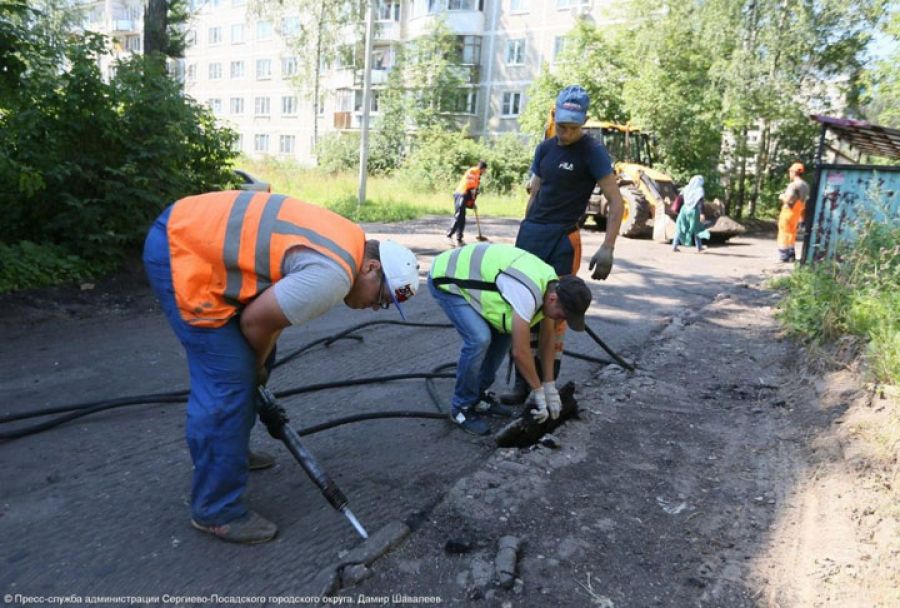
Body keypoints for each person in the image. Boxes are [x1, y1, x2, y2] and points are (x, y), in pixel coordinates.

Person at [142, 190, 420, 544]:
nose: (372, 308)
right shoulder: (333, 277)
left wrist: (259, 363)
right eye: (381, 299)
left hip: (199, 234)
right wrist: (253, 369)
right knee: (229, 382)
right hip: (183, 249)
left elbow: (269, 320)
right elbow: (256, 324)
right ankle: (216, 509)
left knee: (252, 365)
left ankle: (230, 451)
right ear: (371, 267)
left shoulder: (352, 241)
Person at [501, 85, 624, 405]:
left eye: (573, 127)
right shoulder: (544, 150)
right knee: (522, 309)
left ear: (582, 123)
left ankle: (548, 384)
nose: (565, 132)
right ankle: (522, 386)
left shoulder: (592, 152)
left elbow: (615, 199)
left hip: (563, 239)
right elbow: (536, 193)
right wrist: (524, 231)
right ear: (555, 116)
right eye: (562, 125)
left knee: (555, 315)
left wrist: (608, 246)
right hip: (532, 235)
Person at [429, 243, 593, 435]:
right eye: (563, 315)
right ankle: (461, 408)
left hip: (479, 278)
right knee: (479, 339)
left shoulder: (551, 285)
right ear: (553, 300)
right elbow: (520, 352)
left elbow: (547, 340)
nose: (562, 320)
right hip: (448, 278)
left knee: (504, 335)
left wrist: (550, 386)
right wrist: (538, 391)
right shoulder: (528, 294)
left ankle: (478, 397)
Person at [447, 160, 488, 245]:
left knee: (462, 217)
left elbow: (473, 190)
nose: (485, 172)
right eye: (485, 170)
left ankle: (459, 238)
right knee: (459, 216)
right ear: (482, 168)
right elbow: (470, 186)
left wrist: (472, 203)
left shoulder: (478, 175)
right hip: (461, 194)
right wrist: (472, 199)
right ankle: (449, 235)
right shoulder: (473, 171)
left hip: (465, 195)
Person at [776, 162, 810, 262]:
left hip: (788, 211)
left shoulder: (793, 185)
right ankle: (791, 255)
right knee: (792, 233)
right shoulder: (805, 185)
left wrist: (782, 197)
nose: (789, 174)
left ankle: (783, 256)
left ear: (794, 172)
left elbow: (789, 199)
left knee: (783, 232)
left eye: (790, 172)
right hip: (797, 213)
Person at [672, 175, 711, 252]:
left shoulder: (686, 188)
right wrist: (702, 214)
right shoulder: (699, 190)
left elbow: (679, 199)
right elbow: (700, 203)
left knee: (680, 228)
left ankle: (674, 246)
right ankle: (699, 247)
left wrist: (677, 210)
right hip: (694, 211)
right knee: (697, 229)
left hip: (684, 210)